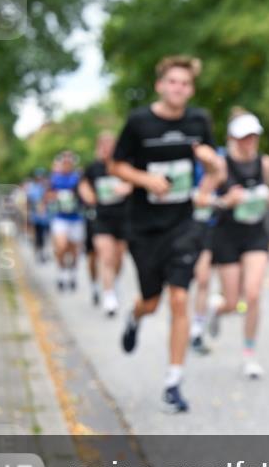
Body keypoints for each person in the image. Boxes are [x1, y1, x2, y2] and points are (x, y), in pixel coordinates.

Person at [109, 55, 218, 413]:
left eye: (185, 83)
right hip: (144, 226)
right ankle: (135, 316)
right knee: (152, 301)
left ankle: (173, 383)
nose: (178, 88)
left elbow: (214, 170)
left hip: (183, 224)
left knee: (179, 299)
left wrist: (213, 166)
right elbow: (116, 165)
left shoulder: (199, 122)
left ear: (191, 89)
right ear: (160, 86)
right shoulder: (139, 122)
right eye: (172, 82)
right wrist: (146, 180)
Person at [206, 109, 269, 380]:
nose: (249, 142)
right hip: (227, 235)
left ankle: (249, 355)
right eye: (243, 137)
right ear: (232, 139)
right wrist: (225, 200)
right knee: (232, 301)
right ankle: (217, 309)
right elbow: (203, 198)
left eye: (253, 137)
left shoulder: (266, 163)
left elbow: (268, 193)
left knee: (252, 294)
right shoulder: (221, 165)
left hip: (255, 234)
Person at [79, 131, 132, 316]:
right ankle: (108, 296)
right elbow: (83, 184)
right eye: (104, 145)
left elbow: (136, 180)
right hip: (101, 218)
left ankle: (114, 282)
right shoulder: (93, 168)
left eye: (111, 145)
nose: (107, 149)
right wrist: (87, 194)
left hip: (123, 218)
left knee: (118, 257)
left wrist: (127, 187)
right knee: (105, 256)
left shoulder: (124, 166)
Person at [189, 156, 220, 355]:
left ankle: (197, 330)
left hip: (208, 230)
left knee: (203, 279)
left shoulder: (219, 160)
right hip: (184, 230)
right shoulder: (187, 163)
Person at [48, 152, 85, 291]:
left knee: (74, 250)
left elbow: (84, 193)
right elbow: (47, 195)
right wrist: (58, 195)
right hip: (60, 217)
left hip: (76, 218)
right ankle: (61, 273)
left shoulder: (78, 178)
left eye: (69, 163)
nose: (67, 165)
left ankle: (73, 273)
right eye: (65, 162)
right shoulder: (55, 178)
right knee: (61, 246)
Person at [26, 168, 51, 263]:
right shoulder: (32, 188)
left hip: (45, 216)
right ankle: (37, 252)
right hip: (36, 216)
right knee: (37, 235)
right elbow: (29, 201)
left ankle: (42, 252)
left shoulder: (46, 187)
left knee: (45, 235)